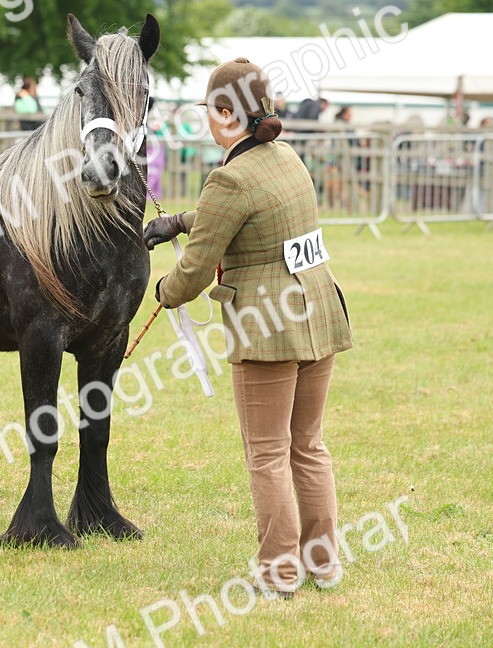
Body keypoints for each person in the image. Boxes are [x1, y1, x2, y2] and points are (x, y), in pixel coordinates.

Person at [143, 57, 353, 598]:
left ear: (225, 114)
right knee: (307, 445)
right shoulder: (286, 157)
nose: (207, 122)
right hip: (319, 314)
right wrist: (183, 220)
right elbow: (241, 213)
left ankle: (279, 571)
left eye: (210, 111)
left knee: (266, 453)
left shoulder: (230, 177)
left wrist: (164, 293)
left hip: (268, 329)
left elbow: (192, 271)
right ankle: (323, 564)